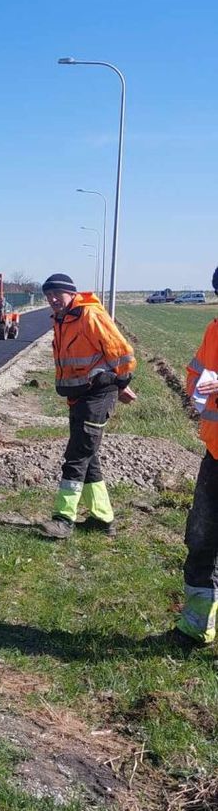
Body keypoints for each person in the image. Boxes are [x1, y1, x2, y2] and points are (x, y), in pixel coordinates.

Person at [40, 273, 137, 539]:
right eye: (48, 295)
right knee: (89, 457)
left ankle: (63, 519)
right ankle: (103, 519)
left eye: (57, 293)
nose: (52, 299)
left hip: (98, 395)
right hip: (80, 396)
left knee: (77, 456)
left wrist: (120, 383)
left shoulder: (88, 315)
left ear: (71, 293)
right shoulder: (62, 319)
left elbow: (123, 352)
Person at [173, 266, 218, 646]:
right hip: (216, 453)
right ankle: (196, 626)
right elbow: (196, 370)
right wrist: (198, 388)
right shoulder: (215, 330)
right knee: (202, 537)